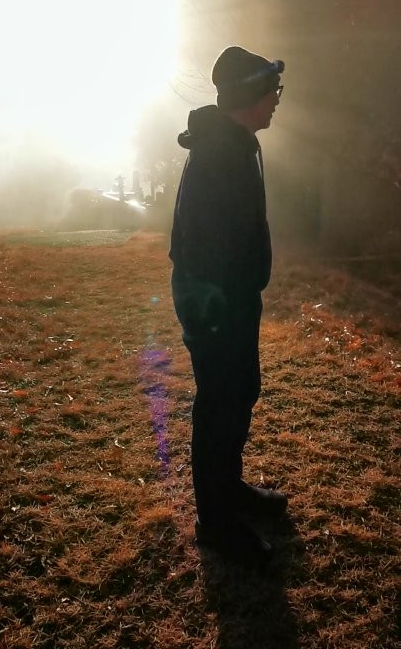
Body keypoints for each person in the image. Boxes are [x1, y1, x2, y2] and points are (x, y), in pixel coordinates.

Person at [170, 46, 287, 564]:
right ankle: (215, 522)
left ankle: (229, 489)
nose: (277, 102)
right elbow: (207, 242)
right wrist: (226, 300)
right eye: (272, 93)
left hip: (230, 295)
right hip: (215, 298)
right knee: (221, 402)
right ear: (249, 97)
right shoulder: (223, 151)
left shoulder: (234, 142)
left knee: (239, 393)